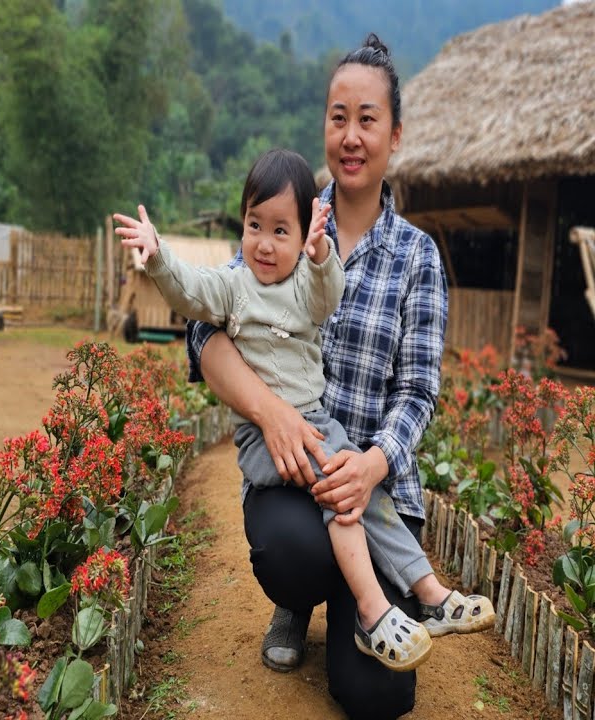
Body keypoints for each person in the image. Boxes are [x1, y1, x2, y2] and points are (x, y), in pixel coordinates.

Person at [181, 35, 486, 719]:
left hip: (372, 486)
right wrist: (273, 413)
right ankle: (296, 601)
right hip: (294, 470)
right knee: (292, 550)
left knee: (375, 695)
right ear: (323, 124)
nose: (351, 136)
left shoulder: (417, 257)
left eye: (368, 119)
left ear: (395, 134)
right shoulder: (284, 217)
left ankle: (374, 608)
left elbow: (418, 392)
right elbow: (206, 331)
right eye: (337, 116)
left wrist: (373, 464)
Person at [116, 147, 493, 677]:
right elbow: (193, 296)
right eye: (254, 225)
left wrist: (320, 254)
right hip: (267, 444)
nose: (264, 244)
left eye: (280, 231)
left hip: (319, 426)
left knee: (366, 494)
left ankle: (428, 593)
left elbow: (327, 295)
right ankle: (372, 611)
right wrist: (158, 257)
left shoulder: (307, 282)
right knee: (340, 499)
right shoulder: (234, 286)